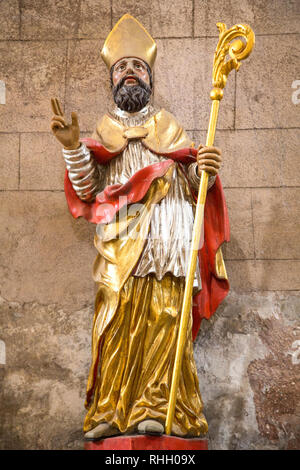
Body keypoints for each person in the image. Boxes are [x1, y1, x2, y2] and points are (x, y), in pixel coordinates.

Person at [50, 14, 230, 440]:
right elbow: (89, 189)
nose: (129, 73)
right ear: (112, 81)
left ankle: (159, 404)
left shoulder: (170, 127)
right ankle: (109, 408)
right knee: (114, 316)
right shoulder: (103, 130)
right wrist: (74, 147)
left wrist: (204, 168)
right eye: (121, 69)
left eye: (138, 68)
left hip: (168, 233)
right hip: (119, 233)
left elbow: (194, 186)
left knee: (166, 312)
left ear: (149, 78)